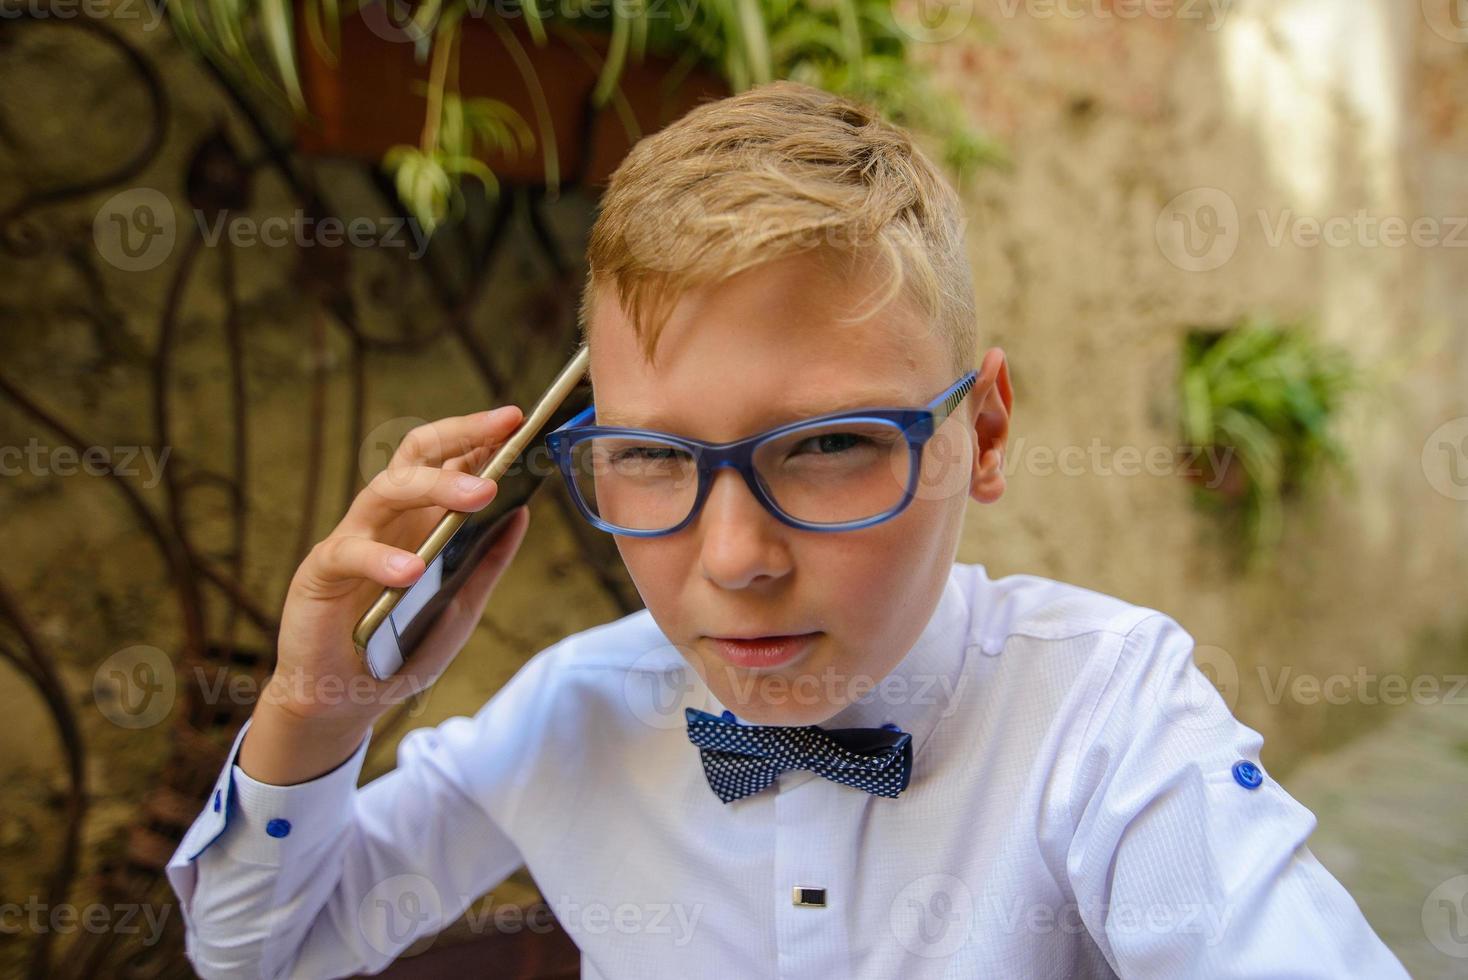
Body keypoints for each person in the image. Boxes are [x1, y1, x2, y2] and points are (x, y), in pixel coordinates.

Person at [165, 80, 1406, 978]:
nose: (734, 559)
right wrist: (318, 706)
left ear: (980, 433)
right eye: (651, 456)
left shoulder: (1105, 713)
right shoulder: (572, 710)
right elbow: (262, 945)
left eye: (824, 446)